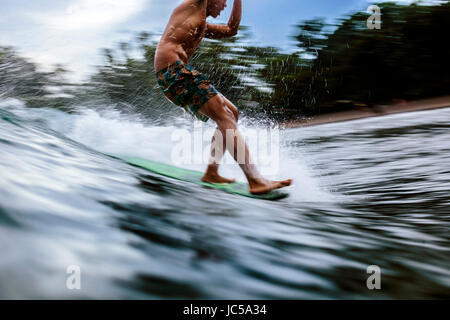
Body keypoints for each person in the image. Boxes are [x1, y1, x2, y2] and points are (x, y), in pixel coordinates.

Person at [154, 0, 292, 194]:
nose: (225, 5)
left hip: (175, 74)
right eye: (224, 0)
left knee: (232, 113)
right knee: (225, 117)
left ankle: (212, 172)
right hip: (173, 71)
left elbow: (231, 29)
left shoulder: (201, 25)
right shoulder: (193, 6)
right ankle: (256, 180)